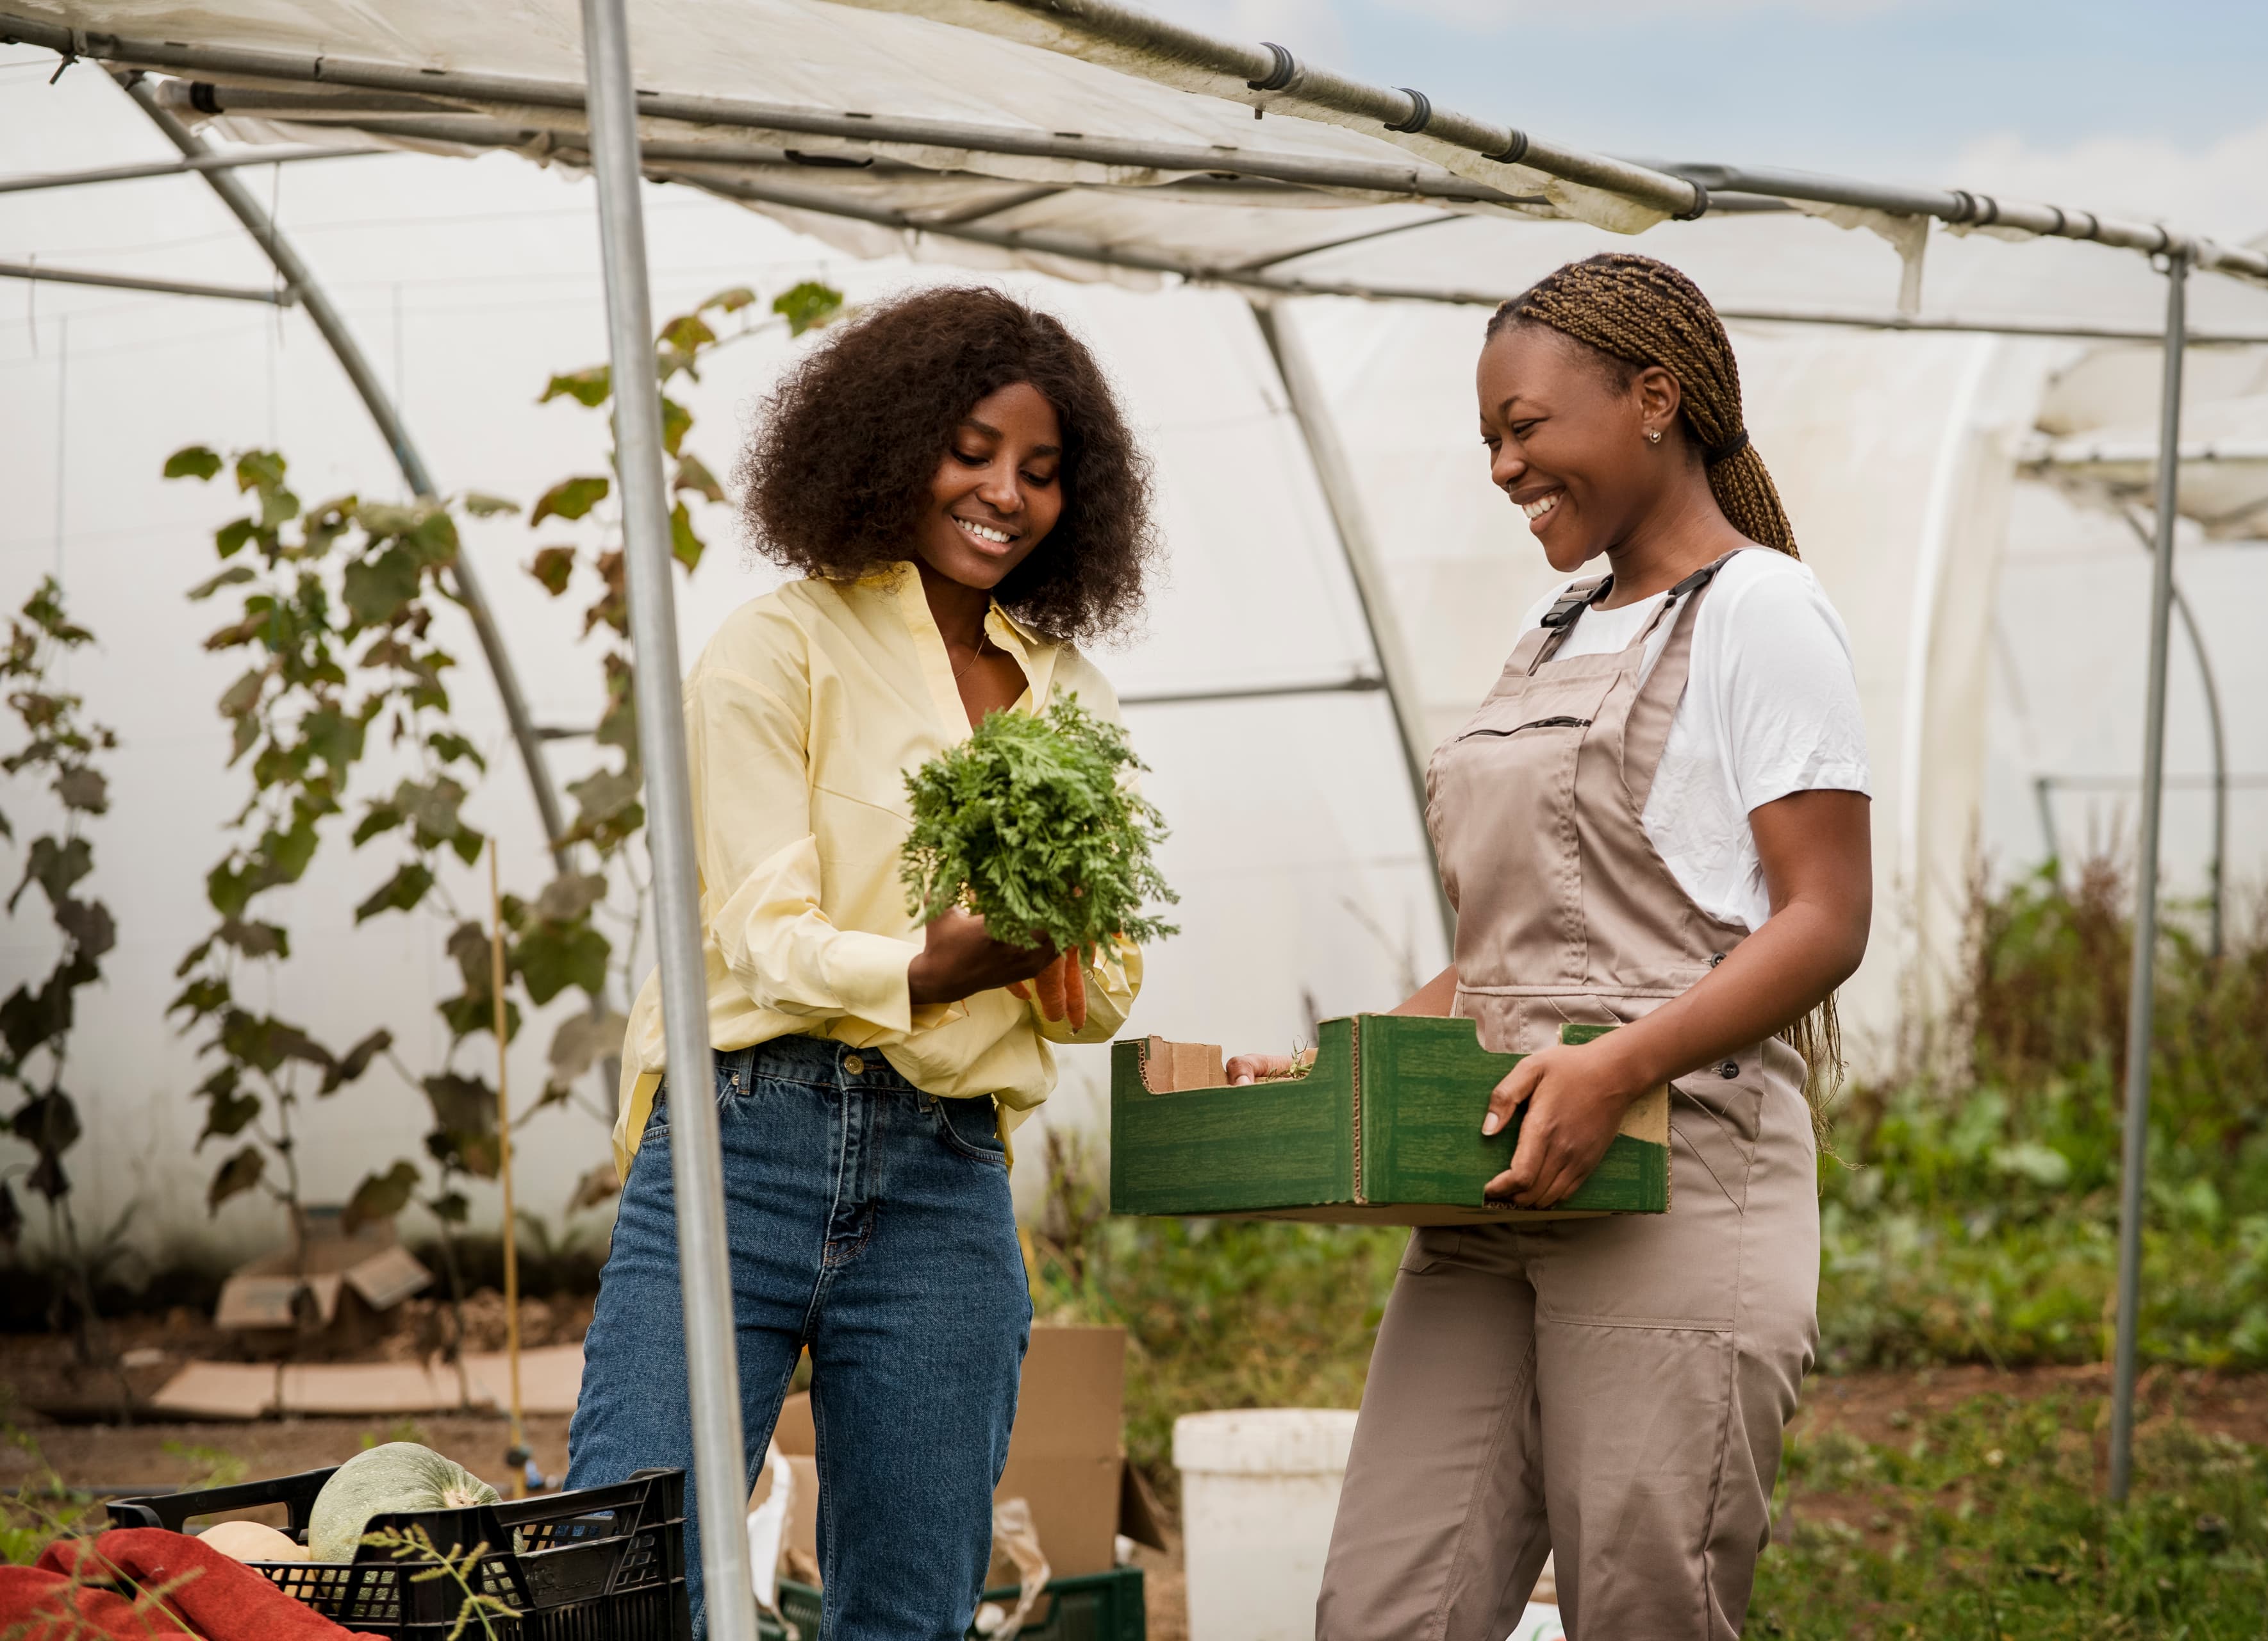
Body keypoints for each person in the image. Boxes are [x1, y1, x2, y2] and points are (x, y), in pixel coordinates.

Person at [1234, 253, 1873, 1640]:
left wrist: (1609, 1068)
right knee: (1384, 1604)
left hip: (1672, 1177)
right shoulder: (1554, 626)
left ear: (1655, 397)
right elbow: (1510, 951)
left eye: (1525, 427)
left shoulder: (1764, 610)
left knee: (1646, 1602)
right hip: (1489, 1182)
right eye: (1487, 440)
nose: (1504, 465)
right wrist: (1328, 1071)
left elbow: (1825, 916)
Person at [565, 285, 1158, 1641]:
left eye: (1044, 471)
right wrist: (943, 965)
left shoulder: (1068, 695)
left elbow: (1107, 981)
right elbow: (760, 932)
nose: (1006, 491)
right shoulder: (777, 651)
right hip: (744, 1145)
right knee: (627, 1575)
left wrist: (1052, 953)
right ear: (890, 442)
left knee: (910, 1605)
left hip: (944, 1177)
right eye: (973, 449)